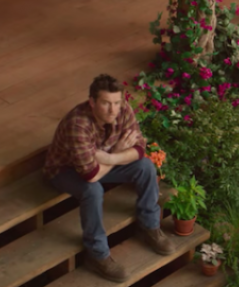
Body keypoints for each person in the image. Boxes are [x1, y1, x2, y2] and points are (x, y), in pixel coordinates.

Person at [44, 74, 175, 282]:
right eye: (106, 103)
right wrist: (117, 154)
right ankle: (97, 255)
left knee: (145, 166)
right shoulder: (77, 124)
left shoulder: (123, 110)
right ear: (92, 102)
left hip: (103, 161)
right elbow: (90, 175)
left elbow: (139, 149)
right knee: (93, 190)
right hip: (65, 170)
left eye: (116, 103)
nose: (113, 110)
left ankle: (149, 225)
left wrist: (112, 156)